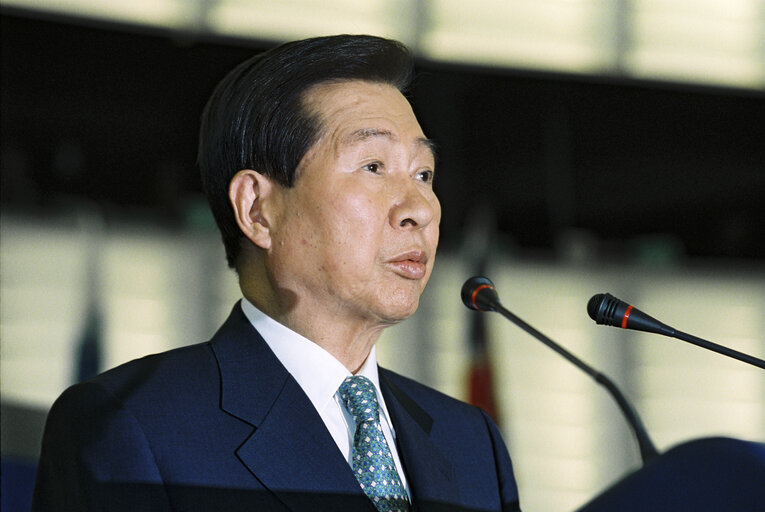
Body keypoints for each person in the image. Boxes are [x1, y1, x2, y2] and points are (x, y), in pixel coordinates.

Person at [32, 34, 520, 511]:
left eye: (423, 174)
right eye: (373, 166)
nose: (421, 209)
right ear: (258, 209)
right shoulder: (132, 424)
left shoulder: (471, 442)